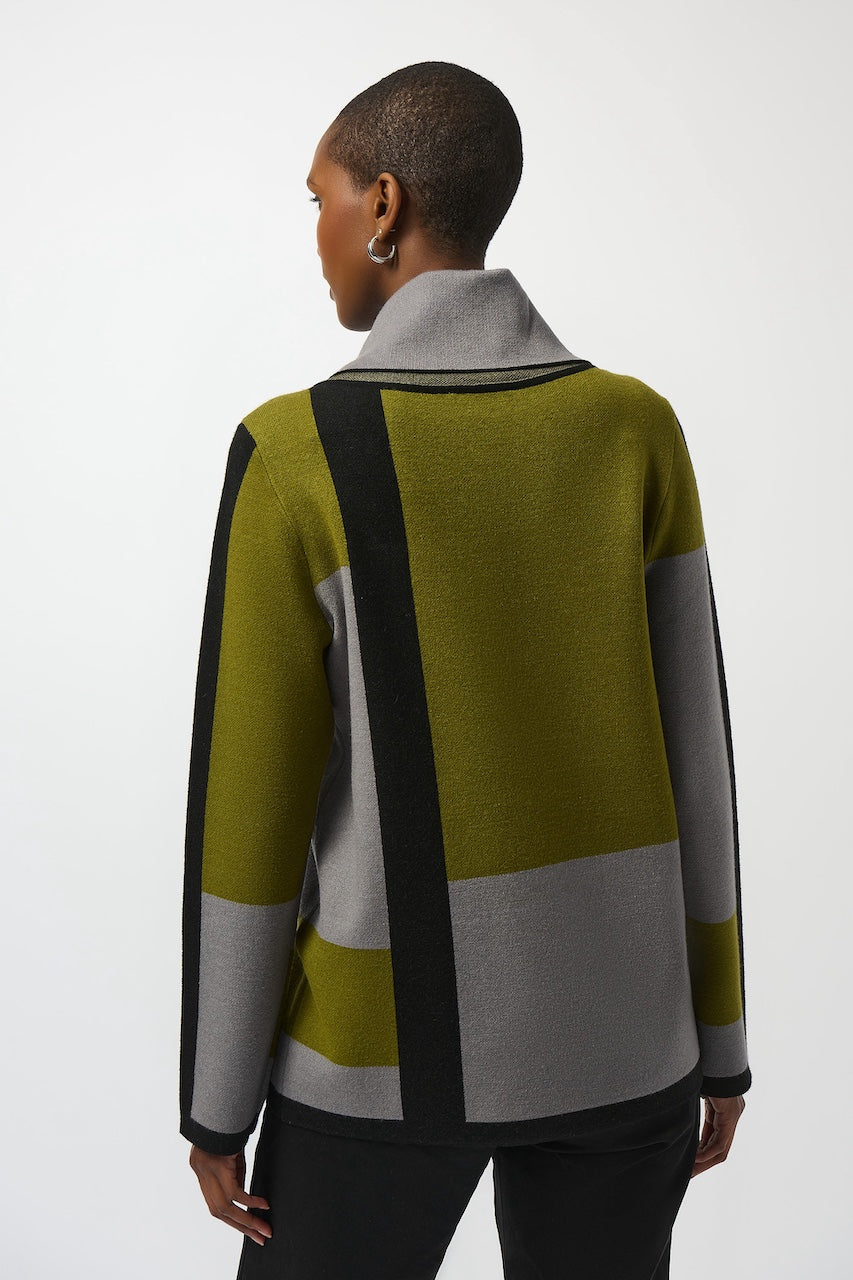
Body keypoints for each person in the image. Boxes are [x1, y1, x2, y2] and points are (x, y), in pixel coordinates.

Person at [179, 61, 751, 1279]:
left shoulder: (294, 454)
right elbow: (697, 758)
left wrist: (217, 1101)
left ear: (383, 205)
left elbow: (251, 813)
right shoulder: (634, 427)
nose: (317, 234)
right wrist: (720, 1036)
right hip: (627, 1043)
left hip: (378, 1055)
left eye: (322, 200)